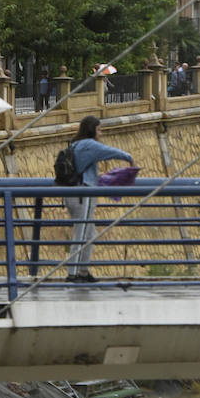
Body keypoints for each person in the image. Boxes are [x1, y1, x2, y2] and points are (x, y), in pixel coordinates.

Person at [63, 115, 133, 283]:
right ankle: (73, 273)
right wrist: (128, 157)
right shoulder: (89, 145)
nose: (100, 133)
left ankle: (83, 271)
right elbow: (109, 152)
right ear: (91, 130)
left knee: (89, 233)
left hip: (74, 192)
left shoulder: (75, 144)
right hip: (82, 193)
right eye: (99, 130)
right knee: (81, 233)